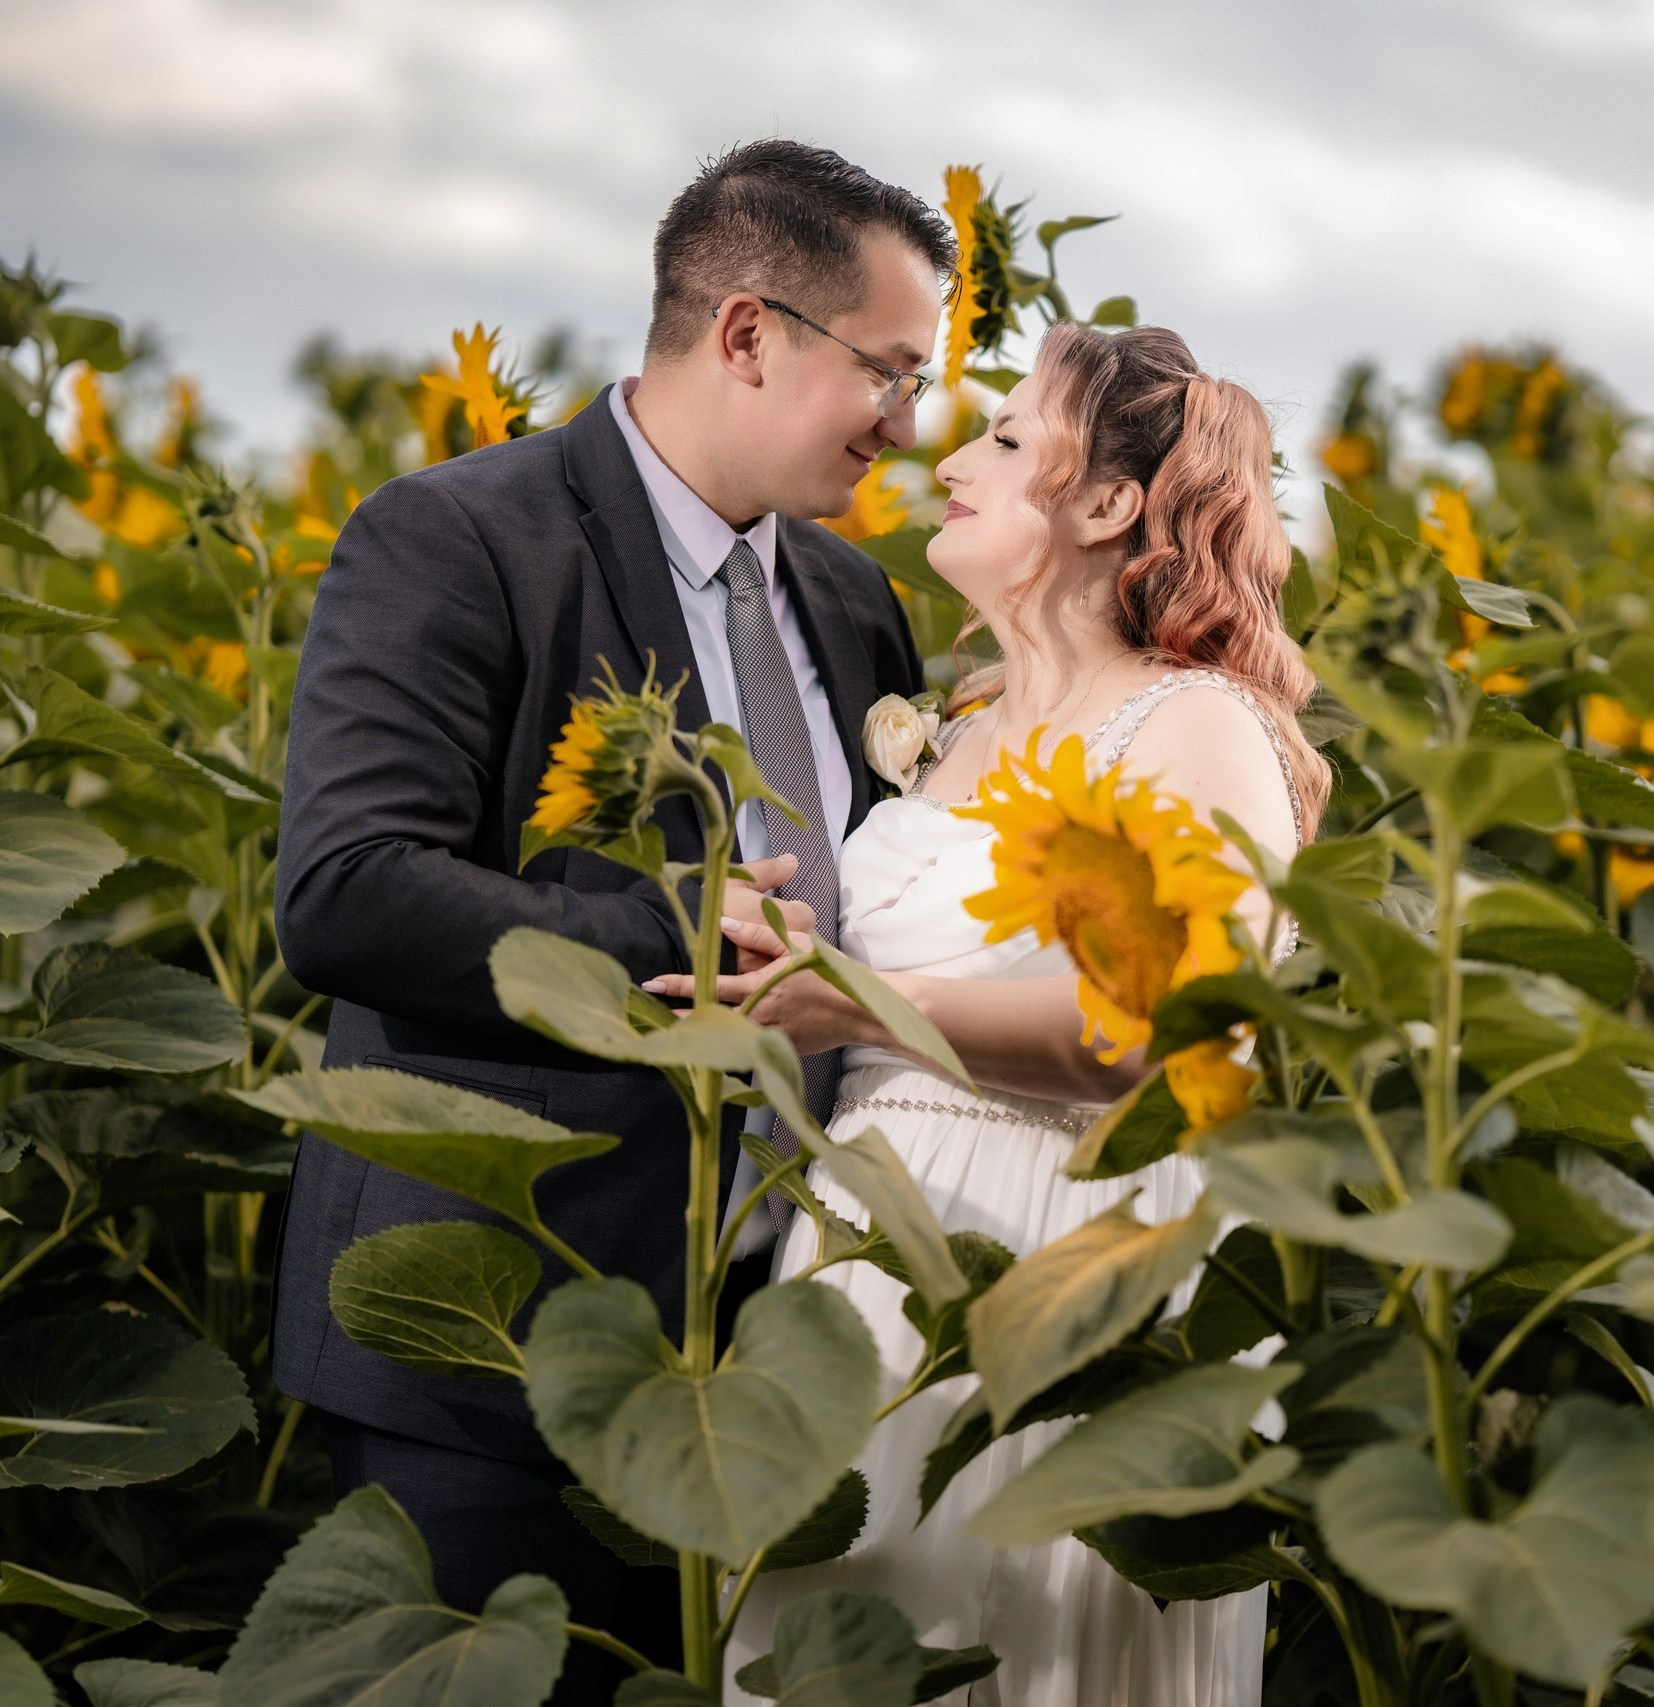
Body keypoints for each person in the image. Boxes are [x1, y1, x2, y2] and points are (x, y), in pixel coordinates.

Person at [270, 139, 949, 1705]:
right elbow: (347, 891)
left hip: (770, 1356)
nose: (908, 427)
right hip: (505, 1345)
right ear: (749, 333)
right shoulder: (460, 535)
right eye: (888, 372)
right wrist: (673, 931)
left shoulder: (854, 603)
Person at [650, 321, 1325, 1707]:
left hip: (1052, 1257)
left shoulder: (1193, 722)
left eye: (1006, 439)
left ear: (1105, 504)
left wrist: (853, 1000)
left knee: (1013, 1644)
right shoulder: (959, 722)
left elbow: (1188, 1030)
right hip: (864, 1267)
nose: (946, 457)